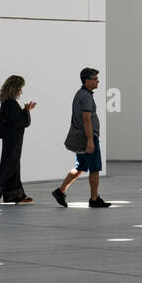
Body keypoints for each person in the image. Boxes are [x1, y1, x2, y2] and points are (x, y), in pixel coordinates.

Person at [53, 67, 109, 208]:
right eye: (95, 79)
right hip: (88, 138)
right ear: (86, 80)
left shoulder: (82, 94)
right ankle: (94, 199)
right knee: (94, 168)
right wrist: (90, 140)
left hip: (83, 137)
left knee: (81, 167)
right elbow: (86, 119)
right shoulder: (85, 97)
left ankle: (61, 191)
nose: (98, 81)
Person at [0, 75, 36, 204]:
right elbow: (21, 122)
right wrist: (27, 111)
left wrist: (24, 110)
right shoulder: (12, 104)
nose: (21, 91)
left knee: (14, 165)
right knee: (9, 165)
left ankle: (14, 195)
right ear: (15, 88)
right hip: (13, 140)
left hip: (10, 139)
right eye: (20, 88)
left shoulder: (6, 103)